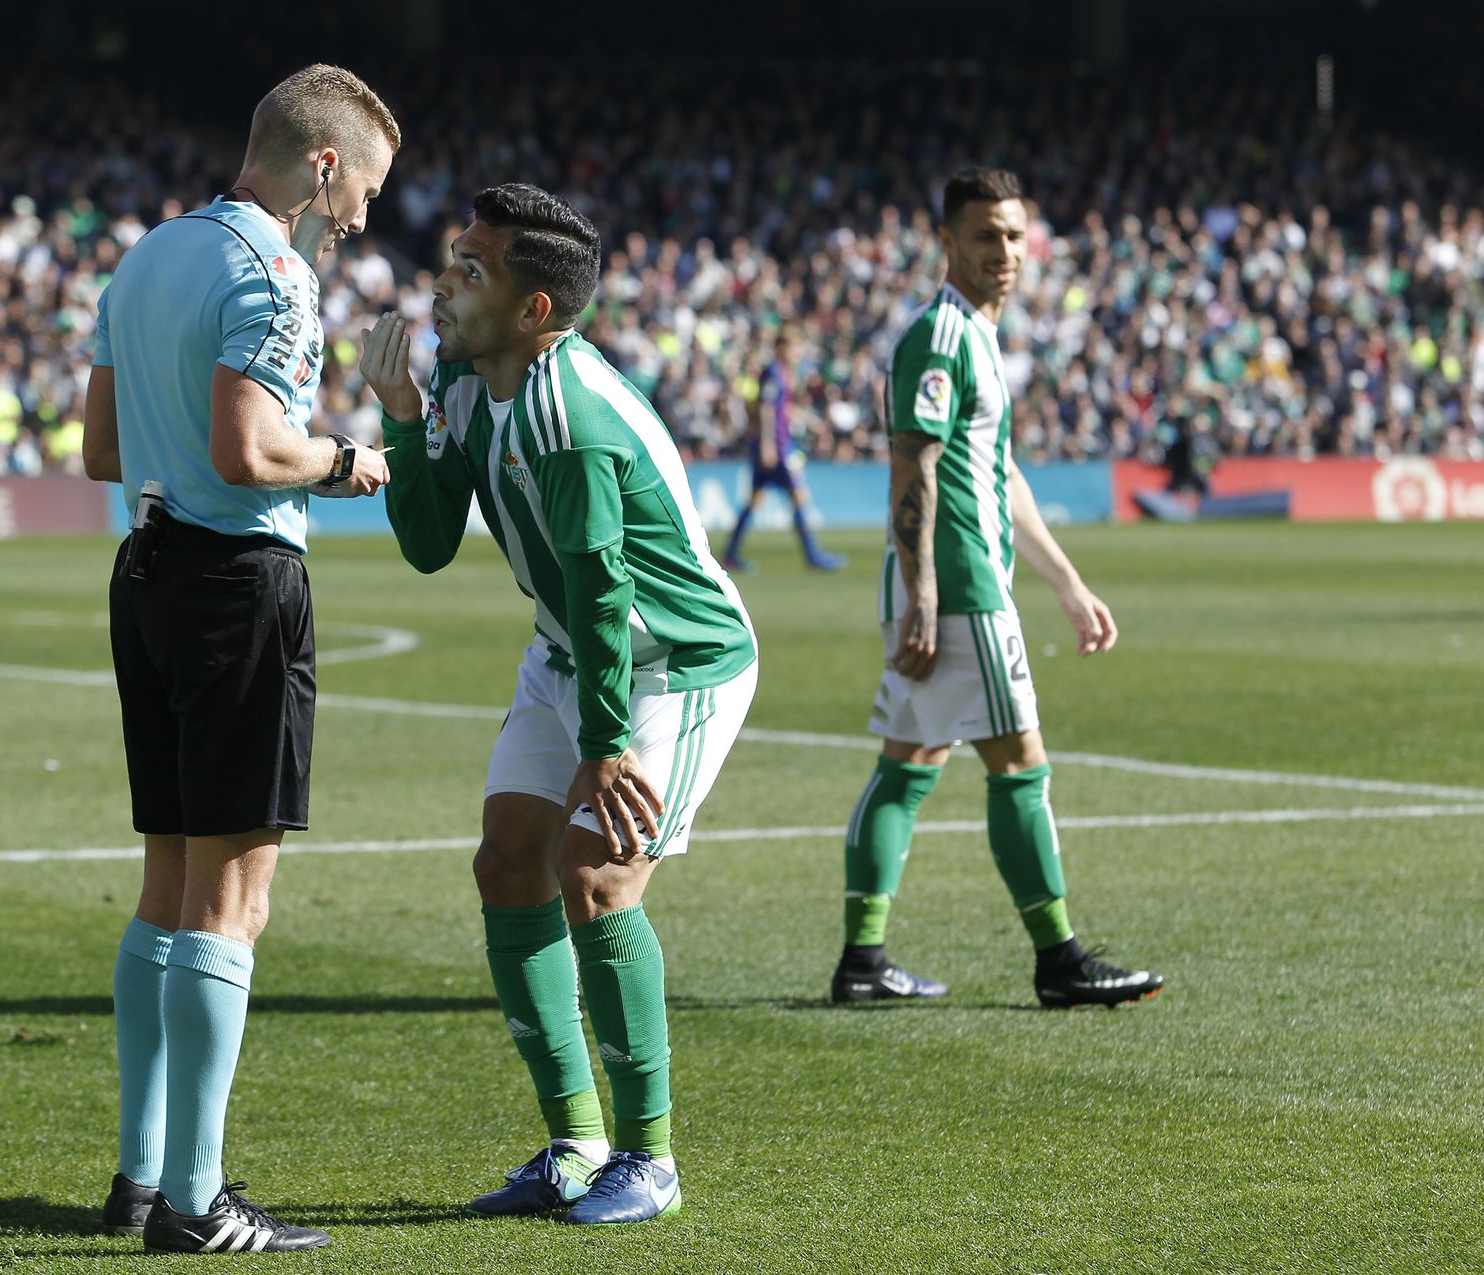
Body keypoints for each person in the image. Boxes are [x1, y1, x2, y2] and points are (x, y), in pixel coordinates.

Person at [359, 183, 758, 1225]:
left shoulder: (568, 417)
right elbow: (430, 543)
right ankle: (574, 1145)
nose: (444, 281)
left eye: (473, 270)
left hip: (673, 662)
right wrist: (403, 421)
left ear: (535, 310)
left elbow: (603, 586)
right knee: (506, 864)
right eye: (452, 256)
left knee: (595, 875)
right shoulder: (457, 370)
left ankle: (650, 1158)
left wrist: (608, 745)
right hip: (568, 648)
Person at [81, 64, 398, 1254]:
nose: (364, 213)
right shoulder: (276, 272)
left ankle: (139, 1174)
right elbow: (249, 449)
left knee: (165, 888)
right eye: (363, 187)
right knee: (231, 899)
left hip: (147, 575)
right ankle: (196, 1200)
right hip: (234, 584)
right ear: (321, 167)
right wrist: (342, 458)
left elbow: (101, 447)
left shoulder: (149, 252)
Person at [831, 167, 1165, 1010]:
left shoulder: (977, 337)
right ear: (949, 243)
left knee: (909, 765)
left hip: (949, 586)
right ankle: (1061, 958)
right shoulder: (942, 337)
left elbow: (999, 472)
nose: (1005, 251)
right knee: (1020, 765)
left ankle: (862, 961)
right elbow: (915, 463)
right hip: (962, 590)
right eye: (986, 235)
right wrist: (928, 595)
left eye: (1015, 235)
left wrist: (1067, 581)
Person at [720, 327, 847, 573]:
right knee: (798, 496)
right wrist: (768, 445)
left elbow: (783, 410)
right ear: (782, 349)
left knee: (755, 500)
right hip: (777, 446)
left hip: (777, 444)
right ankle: (813, 555)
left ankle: (731, 554)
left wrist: (812, 421)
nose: (798, 353)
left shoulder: (786, 375)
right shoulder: (772, 374)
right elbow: (767, 409)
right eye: (794, 347)